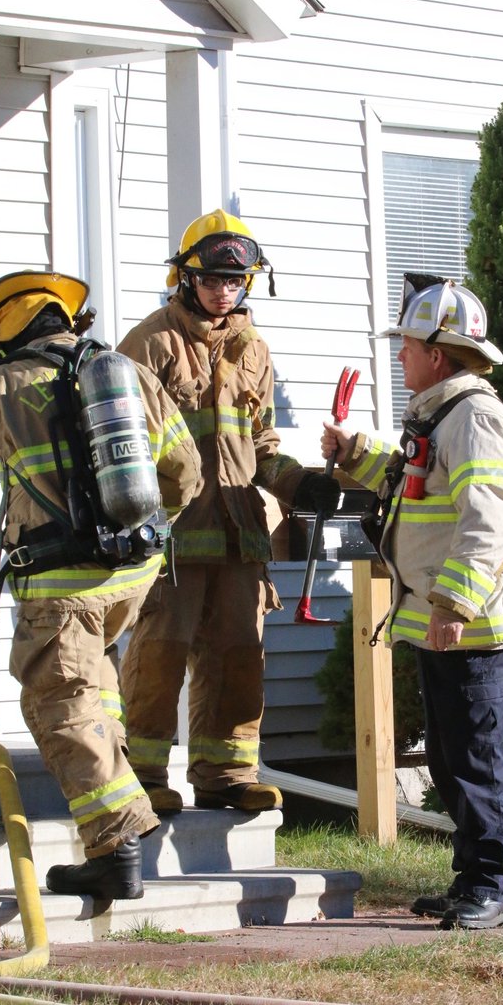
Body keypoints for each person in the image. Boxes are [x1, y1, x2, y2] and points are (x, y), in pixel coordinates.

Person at [0, 271, 201, 900]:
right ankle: (116, 830)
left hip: (61, 585)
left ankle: (116, 845)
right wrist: (144, 536)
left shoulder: (1, 387)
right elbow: (186, 474)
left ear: (7, 335)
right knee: (97, 691)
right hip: (131, 577)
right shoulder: (129, 373)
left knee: (62, 703)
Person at [321, 275, 503, 930]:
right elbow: (411, 480)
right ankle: (472, 882)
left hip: (475, 638)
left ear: (438, 354)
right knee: (451, 762)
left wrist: (453, 604)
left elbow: (489, 520)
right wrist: (352, 454)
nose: (400, 355)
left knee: (475, 764)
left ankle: (490, 886)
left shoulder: (476, 419)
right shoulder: (444, 414)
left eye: (408, 346)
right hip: (451, 636)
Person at [118, 209, 340, 815]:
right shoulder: (152, 342)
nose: (223, 291)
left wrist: (300, 486)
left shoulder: (254, 350)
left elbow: (261, 444)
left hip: (240, 538)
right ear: (185, 277)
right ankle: (142, 776)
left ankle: (226, 774)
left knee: (239, 657)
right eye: (212, 278)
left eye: (235, 282)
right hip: (170, 540)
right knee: (158, 656)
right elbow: (122, 442)